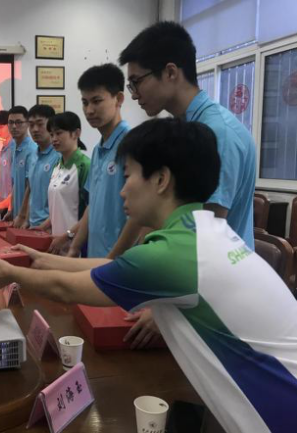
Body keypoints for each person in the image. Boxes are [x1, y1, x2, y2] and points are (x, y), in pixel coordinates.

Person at [0, 118, 297, 433]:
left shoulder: (174, 254)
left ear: (161, 180)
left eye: (127, 176)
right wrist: (40, 259)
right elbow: (110, 267)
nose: (121, 191)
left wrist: (11, 273)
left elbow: (65, 289)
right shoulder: (204, 231)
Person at [118, 20, 257, 348]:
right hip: (194, 290)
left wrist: (167, 304)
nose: (135, 95)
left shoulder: (216, 133)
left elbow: (206, 235)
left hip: (217, 300)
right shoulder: (184, 129)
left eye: (137, 82)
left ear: (170, 72)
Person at [63, 64, 140, 259]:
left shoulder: (133, 144)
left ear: (119, 99)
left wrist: (110, 261)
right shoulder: (98, 149)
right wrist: (75, 247)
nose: (89, 110)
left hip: (118, 262)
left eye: (97, 101)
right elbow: (93, 204)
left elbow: (140, 216)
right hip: (95, 258)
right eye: (85, 102)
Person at [40, 112, 91, 254]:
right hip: (57, 242)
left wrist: (67, 236)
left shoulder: (85, 166)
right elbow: (60, 206)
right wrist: (43, 226)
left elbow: (92, 211)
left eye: (59, 133)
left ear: (76, 133)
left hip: (77, 245)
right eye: (51, 134)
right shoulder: (57, 164)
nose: (54, 139)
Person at [13, 105, 60, 229]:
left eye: (40, 124)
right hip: (34, 226)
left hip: (51, 228)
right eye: (31, 125)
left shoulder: (59, 156)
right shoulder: (33, 154)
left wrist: (44, 227)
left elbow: (63, 202)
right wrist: (25, 218)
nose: (35, 129)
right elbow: (31, 188)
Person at [5, 106, 37, 220]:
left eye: (18, 122)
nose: (14, 126)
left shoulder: (32, 150)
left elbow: (30, 187)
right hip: (17, 215)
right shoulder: (14, 147)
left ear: (27, 124)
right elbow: (15, 184)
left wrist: (23, 216)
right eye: (11, 122)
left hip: (27, 218)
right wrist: (11, 209)